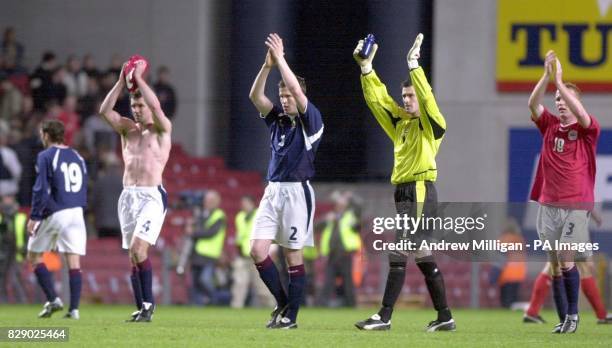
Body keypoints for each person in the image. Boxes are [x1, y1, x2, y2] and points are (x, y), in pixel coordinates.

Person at [352, 34, 455, 332]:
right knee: (421, 253)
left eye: (412, 96)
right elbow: (379, 100)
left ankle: (384, 316)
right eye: (406, 96)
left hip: (420, 190)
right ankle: (445, 316)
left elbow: (428, 101)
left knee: (399, 250)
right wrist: (367, 68)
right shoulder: (401, 123)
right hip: (404, 191)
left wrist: (414, 66)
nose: (408, 100)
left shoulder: (432, 126)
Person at [248, 33, 324, 329]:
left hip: (297, 192)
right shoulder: (278, 119)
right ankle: (283, 303)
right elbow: (255, 96)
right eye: (282, 97)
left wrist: (281, 59)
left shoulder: (311, 119)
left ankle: (290, 318)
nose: (285, 99)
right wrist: (267, 67)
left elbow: (293, 85)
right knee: (257, 250)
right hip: (273, 190)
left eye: (289, 96)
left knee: (293, 256)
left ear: (300, 96)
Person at [527, 50, 600, 333]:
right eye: (557, 99)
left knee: (567, 259)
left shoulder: (587, 129)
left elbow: (581, 115)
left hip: (575, 205)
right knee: (556, 264)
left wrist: (559, 82)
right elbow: (533, 104)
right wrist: (547, 78)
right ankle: (564, 318)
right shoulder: (549, 126)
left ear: (576, 103)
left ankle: (573, 316)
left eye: (564, 98)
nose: (559, 102)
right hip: (548, 205)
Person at [99, 59, 172, 322]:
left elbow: (156, 105)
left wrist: (139, 79)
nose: (137, 109)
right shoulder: (127, 130)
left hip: (152, 195)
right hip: (128, 195)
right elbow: (104, 111)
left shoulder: (162, 129)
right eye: (134, 105)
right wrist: (121, 82)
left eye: (140, 105)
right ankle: (141, 307)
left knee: (140, 249)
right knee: (133, 254)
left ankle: (148, 305)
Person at [26, 119, 88, 319]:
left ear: (46, 134)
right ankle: (74, 310)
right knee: (74, 260)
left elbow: (40, 188)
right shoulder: (78, 156)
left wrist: (35, 216)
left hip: (57, 210)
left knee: (33, 256)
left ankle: (53, 299)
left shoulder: (46, 155)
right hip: (77, 212)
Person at [524, 212, 611, 324]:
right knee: (584, 266)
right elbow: (583, 198)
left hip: (552, 216)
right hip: (571, 219)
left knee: (552, 265)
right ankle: (601, 315)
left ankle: (532, 312)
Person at [317, 191, 361, 307]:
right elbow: (316, 226)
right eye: (338, 203)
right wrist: (326, 219)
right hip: (332, 254)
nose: (340, 205)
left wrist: (352, 196)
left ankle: (351, 305)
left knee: (348, 282)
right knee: (328, 281)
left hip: (345, 253)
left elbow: (359, 206)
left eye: (342, 203)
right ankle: (321, 305)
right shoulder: (330, 216)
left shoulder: (351, 215)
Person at [231, 195, 275, 308]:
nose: (243, 205)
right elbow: (239, 236)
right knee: (239, 285)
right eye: (242, 203)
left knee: (263, 287)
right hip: (243, 256)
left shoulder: (260, 215)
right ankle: (236, 309)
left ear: (252, 203)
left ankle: (272, 309)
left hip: (258, 256)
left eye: (245, 203)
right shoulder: (239, 217)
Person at [186, 190, 226, 305]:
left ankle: (215, 300)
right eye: (206, 200)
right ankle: (200, 304)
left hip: (209, 255)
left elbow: (210, 232)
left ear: (217, 201)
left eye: (211, 200)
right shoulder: (202, 214)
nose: (207, 202)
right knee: (195, 282)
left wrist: (193, 232)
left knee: (205, 280)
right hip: (197, 254)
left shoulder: (219, 215)